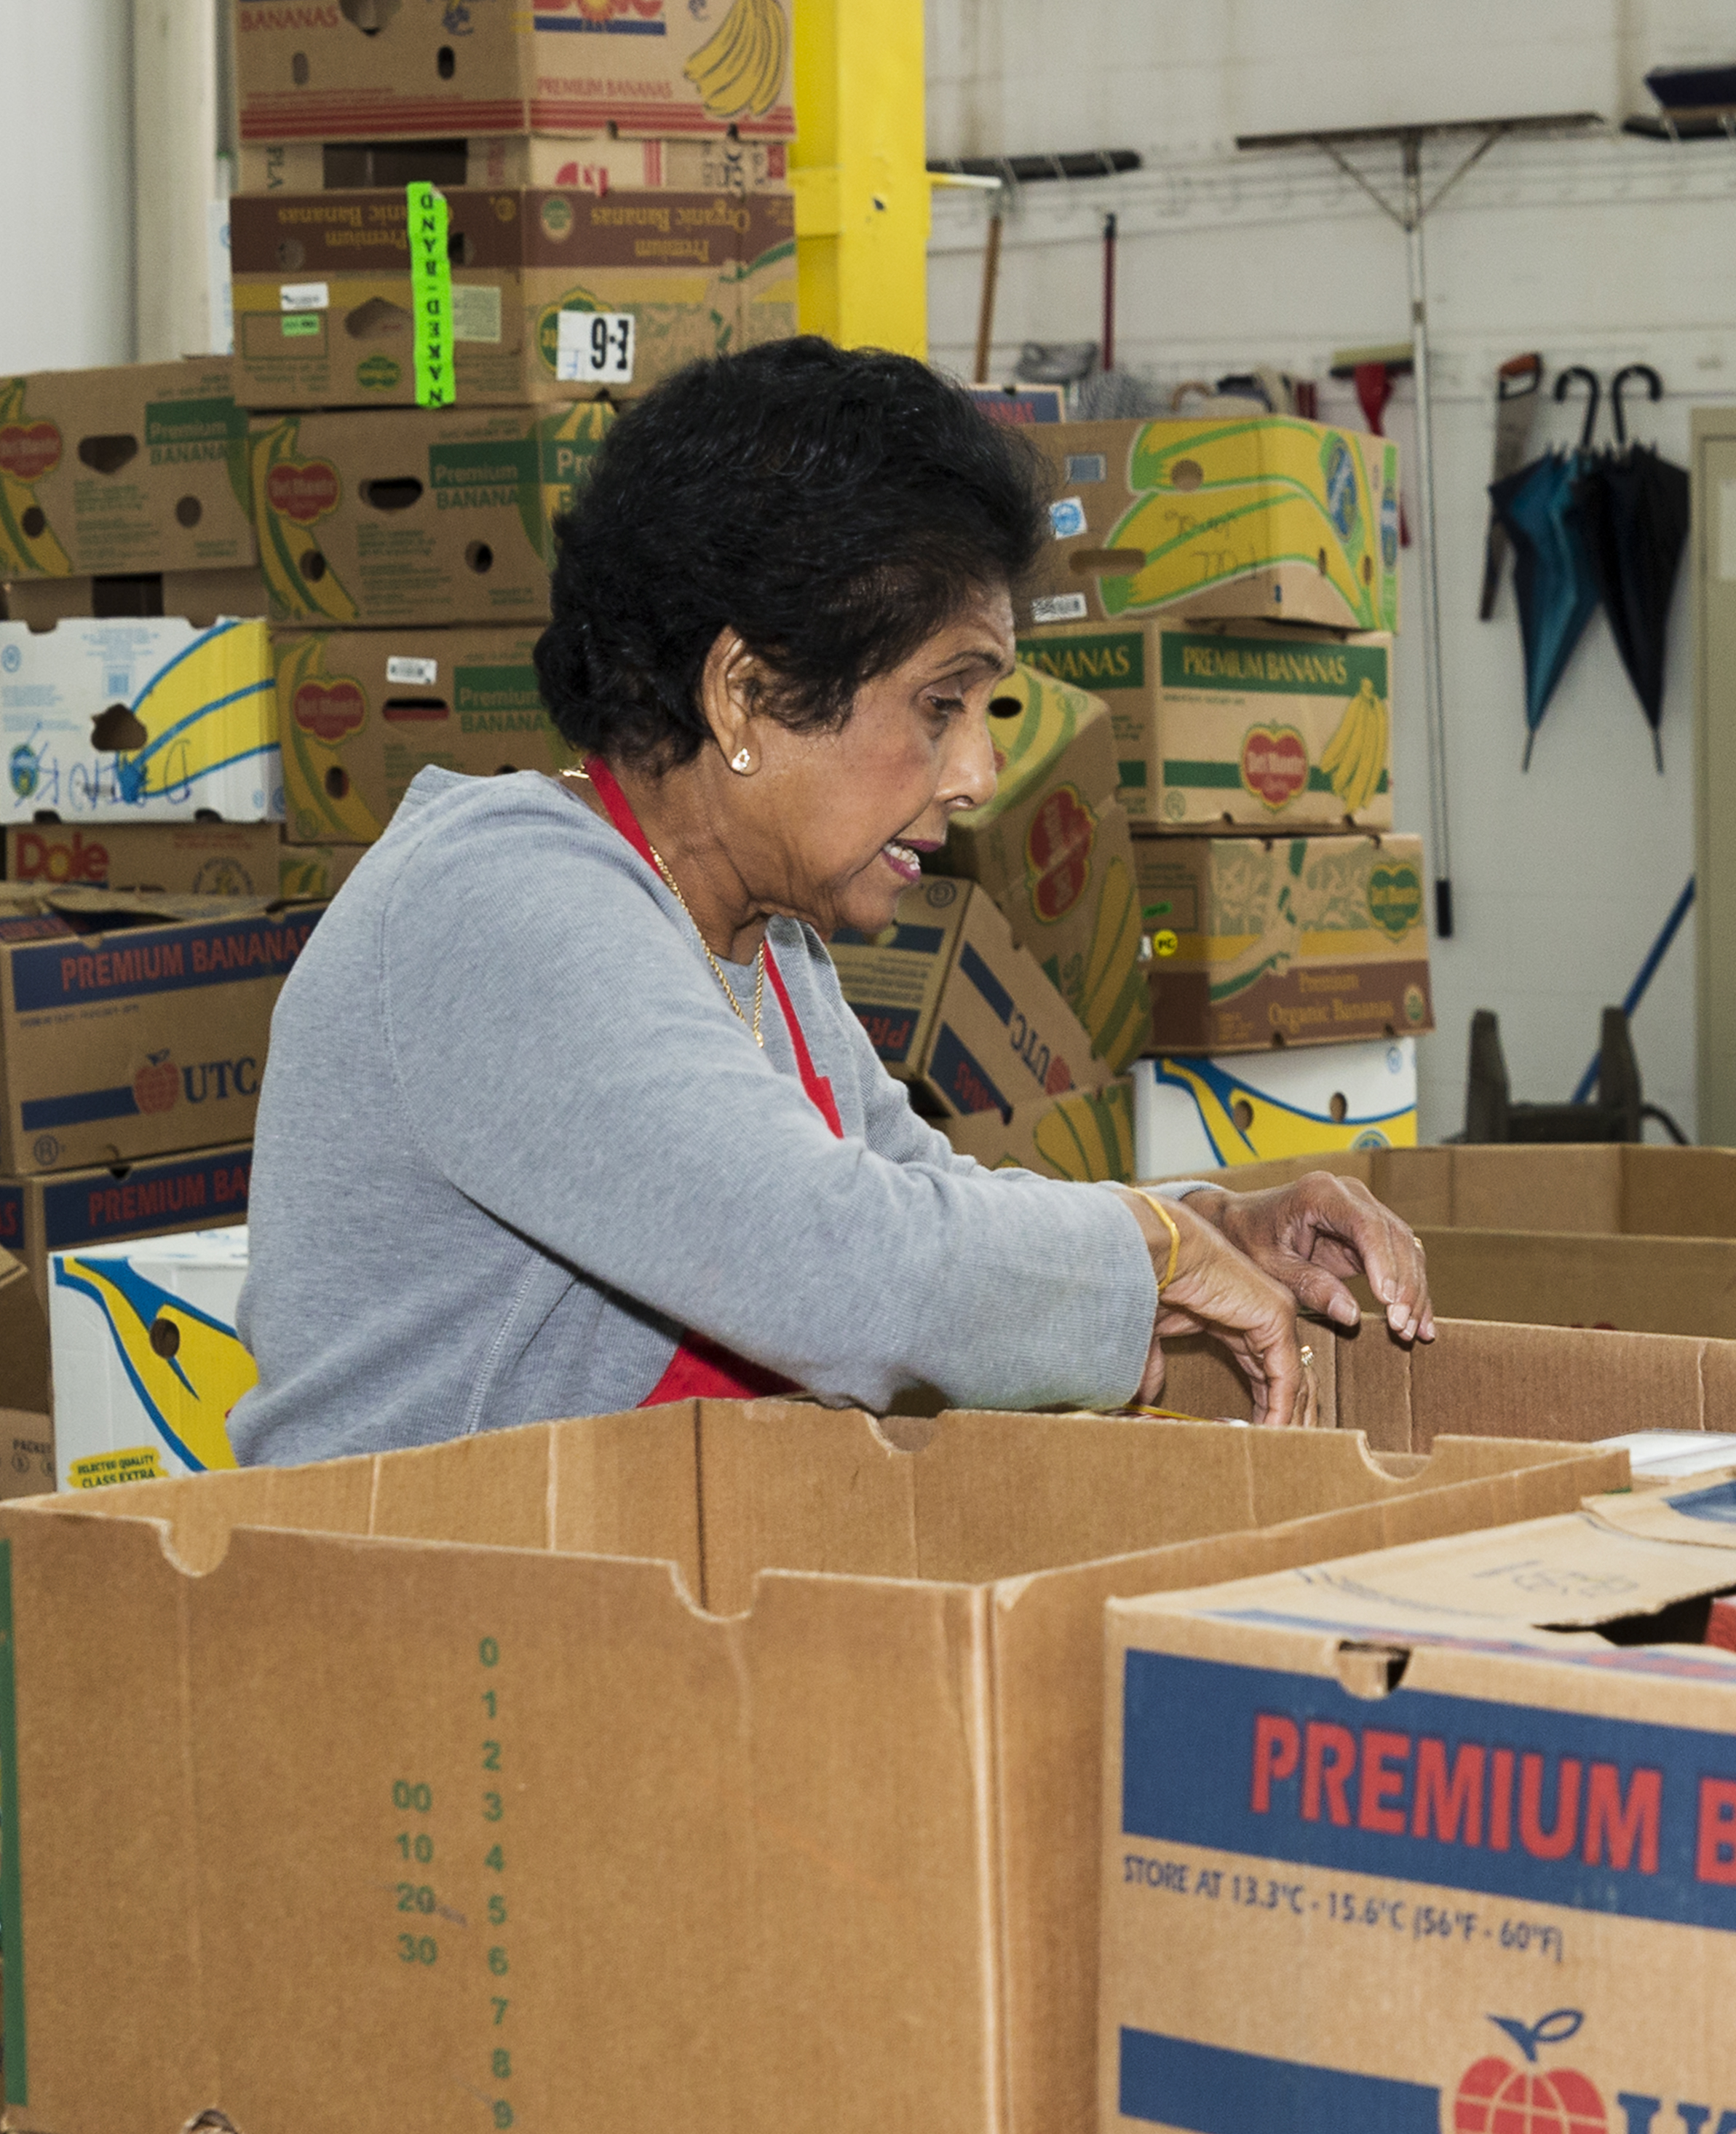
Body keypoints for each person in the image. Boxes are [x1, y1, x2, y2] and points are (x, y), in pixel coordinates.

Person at [233, 338, 1432, 1465]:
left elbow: (924, 1200)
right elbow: (850, 1273)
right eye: (936, 707)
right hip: (423, 1624)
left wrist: (1210, 1222)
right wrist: (1152, 1253)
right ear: (745, 695)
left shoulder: (760, 938)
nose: (976, 777)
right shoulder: (503, 906)